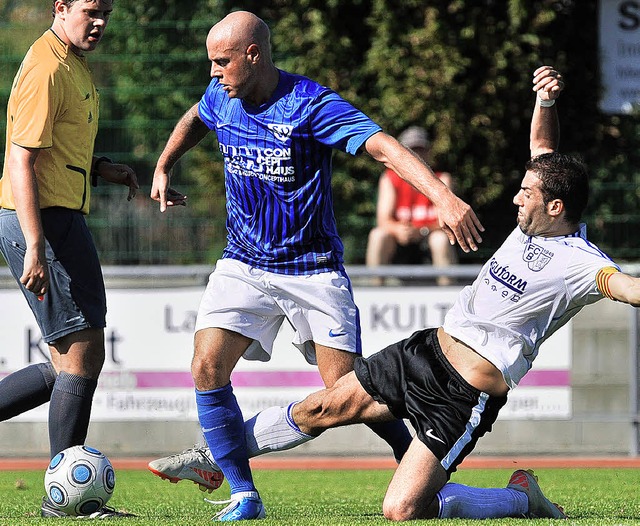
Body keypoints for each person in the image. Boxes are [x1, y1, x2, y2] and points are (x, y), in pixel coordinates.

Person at [155, 65, 640, 521]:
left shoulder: (584, 262)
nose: (515, 197)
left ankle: (518, 499)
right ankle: (218, 457)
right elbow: (542, 149)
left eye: (525, 193)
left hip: (463, 394)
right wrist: (545, 100)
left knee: (403, 509)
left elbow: (628, 288)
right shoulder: (535, 221)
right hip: (425, 351)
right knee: (322, 406)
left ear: (555, 207)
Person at [148, 10, 484, 522]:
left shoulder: (310, 104)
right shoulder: (222, 95)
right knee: (205, 366)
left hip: (312, 269)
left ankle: (417, 460)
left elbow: (383, 147)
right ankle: (243, 493)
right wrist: (164, 164)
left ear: (253, 55)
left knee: (349, 394)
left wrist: (442, 196)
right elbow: (197, 115)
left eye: (222, 62)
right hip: (243, 263)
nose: (214, 73)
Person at [0, 0, 138, 518]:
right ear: (61, 8)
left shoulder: (71, 63)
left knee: (72, 365)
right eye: (89, 10)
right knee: (79, 359)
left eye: (106, 11)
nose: (99, 21)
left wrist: (102, 168)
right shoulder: (45, 67)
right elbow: (21, 157)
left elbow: (58, 148)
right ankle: (70, 501)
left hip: (61, 218)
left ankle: (70, 497)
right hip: (44, 222)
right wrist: (35, 242)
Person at [365, 126, 458, 285]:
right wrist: (399, 230)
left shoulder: (442, 179)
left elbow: (450, 222)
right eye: (411, 151)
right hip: (399, 243)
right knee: (378, 235)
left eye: (420, 150)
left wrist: (423, 230)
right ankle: (375, 291)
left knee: (440, 239)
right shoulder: (389, 179)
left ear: (428, 152)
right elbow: (383, 220)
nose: (416, 156)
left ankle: (447, 293)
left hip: (428, 240)